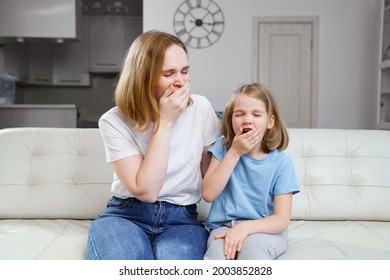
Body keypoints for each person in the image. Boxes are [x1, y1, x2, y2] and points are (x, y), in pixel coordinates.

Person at [86, 30, 221, 260]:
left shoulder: (201, 108)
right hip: (126, 215)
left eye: (185, 71)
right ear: (144, 76)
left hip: (182, 219)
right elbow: (146, 191)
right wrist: (165, 122)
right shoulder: (114, 121)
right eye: (169, 73)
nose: (181, 81)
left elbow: (212, 181)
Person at [202, 82, 300, 260]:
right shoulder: (222, 150)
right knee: (216, 256)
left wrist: (244, 228)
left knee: (253, 253)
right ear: (230, 120)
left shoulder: (282, 164)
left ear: (270, 121)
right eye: (239, 114)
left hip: (264, 230)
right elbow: (208, 193)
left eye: (256, 114)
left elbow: (281, 219)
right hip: (224, 226)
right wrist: (234, 152)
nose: (247, 119)